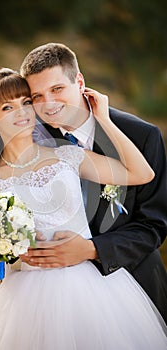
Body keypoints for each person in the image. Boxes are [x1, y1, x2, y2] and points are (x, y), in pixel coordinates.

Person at [0, 67, 167, 349]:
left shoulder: (67, 156)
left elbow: (141, 174)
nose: (21, 113)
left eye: (26, 102)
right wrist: (18, 254)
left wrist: (104, 120)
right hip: (22, 296)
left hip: (90, 287)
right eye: (8, 107)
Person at [20, 42, 167, 324]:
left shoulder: (142, 136)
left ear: (80, 81)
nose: (48, 104)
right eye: (37, 95)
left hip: (134, 285)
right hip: (54, 298)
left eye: (57, 89)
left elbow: (154, 225)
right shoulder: (34, 140)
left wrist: (91, 249)